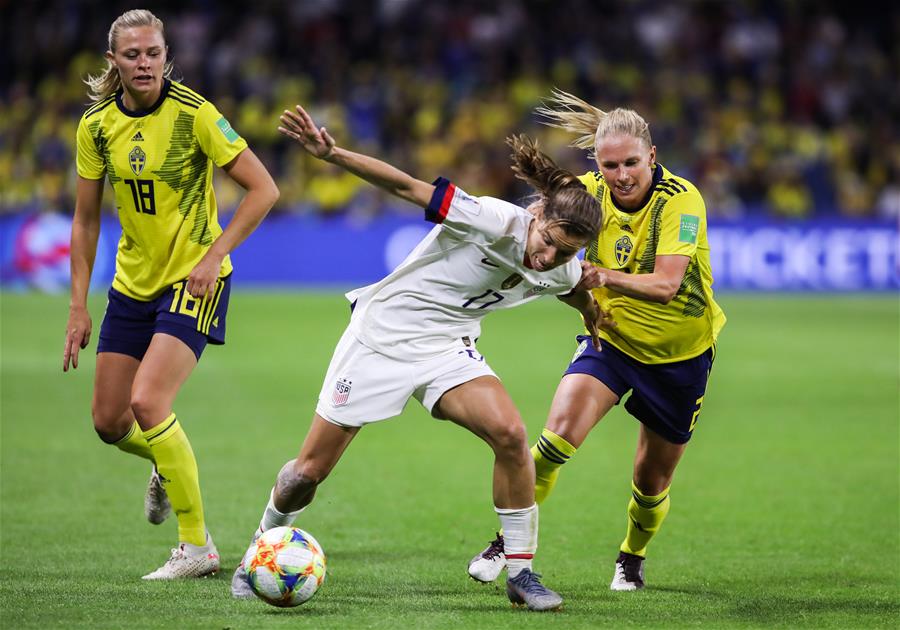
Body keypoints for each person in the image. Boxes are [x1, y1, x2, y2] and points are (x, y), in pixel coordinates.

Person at [231, 104, 606, 611]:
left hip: (448, 348)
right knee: (307, 474)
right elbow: (407, 187)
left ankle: (521, 574)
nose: (549, 258)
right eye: (549, 243)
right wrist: (332, 153)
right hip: (380, 338)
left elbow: (573, 291)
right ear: (538, 216)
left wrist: (591, 319)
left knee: (512, 436)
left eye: (565, 253)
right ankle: (259, 547)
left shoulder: (562, 267)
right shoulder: (491, 219)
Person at [468, 89, 726, 591]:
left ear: (652, 156)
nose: (622, 175)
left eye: (632, 162)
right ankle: (509, 540)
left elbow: (668, 285)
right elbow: (539, 223)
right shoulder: (589, 194)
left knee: (651, 484)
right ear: (597, 163)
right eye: (610, 165)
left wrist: (602, 276)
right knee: (553, 439)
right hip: (611, 342)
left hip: (681, 356)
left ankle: (631, 555)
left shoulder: (682, 200)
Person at [63, 9, 279, 579]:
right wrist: (78, 304)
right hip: (132, 284)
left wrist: (212, 260)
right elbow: (84, 222)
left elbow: (263, 189)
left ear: (166, 56)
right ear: (114, 61)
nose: (144, 63)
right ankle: (166, 460)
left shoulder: (195, 115)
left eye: (153, 53)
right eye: (131, 54)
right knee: (109, 422)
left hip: (195, 279)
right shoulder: (96, 127)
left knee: (149, 403)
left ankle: (196, 547)